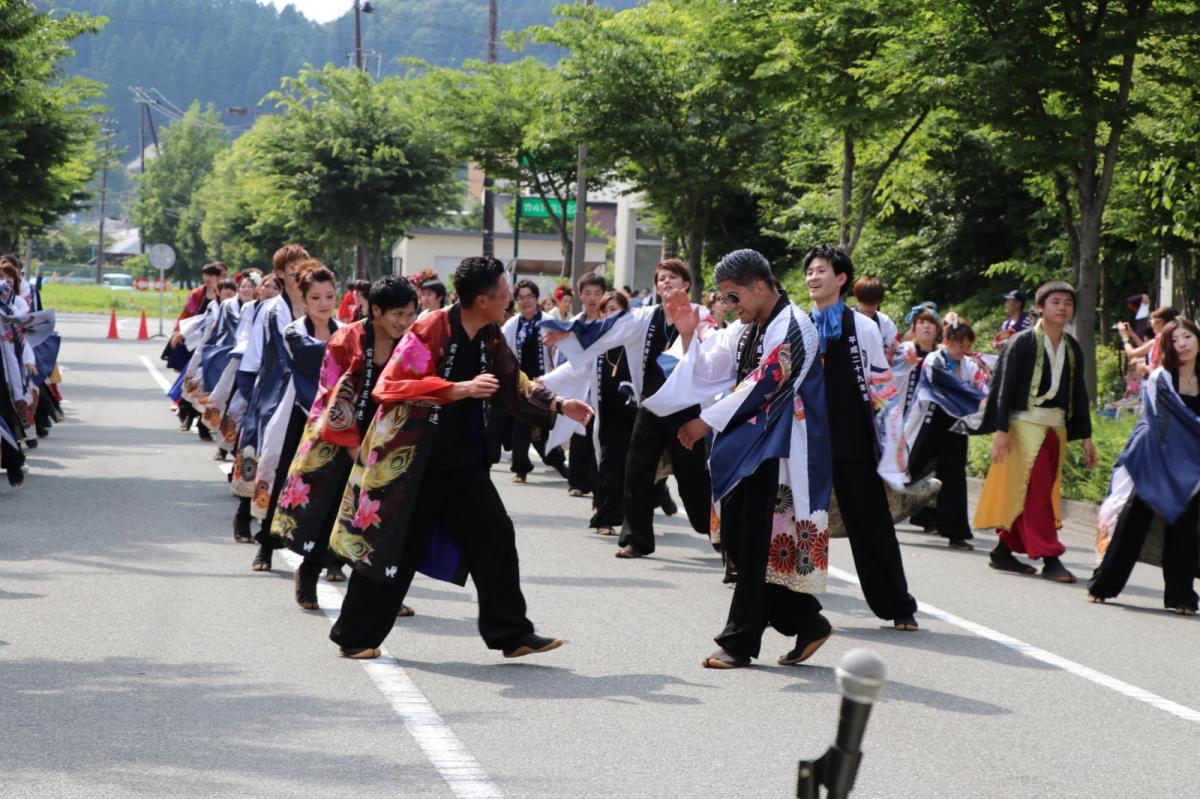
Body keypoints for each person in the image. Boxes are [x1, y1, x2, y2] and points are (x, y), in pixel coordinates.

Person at [326, 256, 594, 660]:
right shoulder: (432, 327)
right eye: (504, 292)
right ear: (482, 299)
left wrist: (558, 404)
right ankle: (354, 634)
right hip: (411, 460)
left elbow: (512, 382)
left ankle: (511, 632)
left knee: (495, 533)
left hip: (460, 460)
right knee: (394, 544)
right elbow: (392, 384)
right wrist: (457, 388)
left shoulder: (489, 333)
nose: (510, 297)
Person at [646, 249, 835, 668]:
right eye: (726, 299)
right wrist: (688, 332)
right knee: (742, 540)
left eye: (735, 297)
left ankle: (739, 642)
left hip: (783, 448)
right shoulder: (749, 326)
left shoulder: (794, 327)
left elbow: (764, 384)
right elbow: (712, 366)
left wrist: (706, 422)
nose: (730, 307)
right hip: (754, 443)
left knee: (751, 543)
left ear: (761, 287)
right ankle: (805, 620)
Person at [542, 259, 713, 559]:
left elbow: (711, 347)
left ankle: (716, 531)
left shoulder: (701, 315)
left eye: (673, 277)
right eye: (661, 279)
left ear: (686, 284)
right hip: (649, 406)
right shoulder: (644, 317)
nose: (666, 283)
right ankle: (636, 539)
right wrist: (568, 333)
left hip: (687, 409)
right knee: (635, 471)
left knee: (693, 478)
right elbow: (607, 328)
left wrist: (694, 332)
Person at [273, 275, 418, 612]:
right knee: (328, 513)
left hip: (382, 440)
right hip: (337, 436)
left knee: (378, 518)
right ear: (377, 310)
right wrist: (351, 443)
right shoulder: (346, 340)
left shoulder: (409, 342)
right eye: (398, 314)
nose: (405, 322)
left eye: (411, 314)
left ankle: (380, 594)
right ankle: (308, 575)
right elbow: (330, 396)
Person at [804, 244, 919, 631]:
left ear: (841, 280)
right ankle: (797, 608)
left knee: (871, 524)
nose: (814, 277)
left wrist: (893, 448)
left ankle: (898, 604)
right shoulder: (800, 325)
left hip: (852, 441)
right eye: (810, 272)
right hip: (808, 443)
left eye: (822, 271)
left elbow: (883, 389)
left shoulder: (862, 327)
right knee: (798, 523)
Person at [974, 280, 1097, 583]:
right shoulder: (1023, 341)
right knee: (1038, 492)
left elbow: (1078, 394)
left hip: (1056, 428)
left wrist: (1087, 437)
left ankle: (1003, 552)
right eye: (1055, 301)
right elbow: (1003, 387)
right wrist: (1001, 431)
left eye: (1067, 303)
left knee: (1029, 493)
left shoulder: (1071, 348)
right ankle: (1051, 557)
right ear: (1040, 307)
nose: (1062, 307)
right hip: (1023, 427)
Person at [1089, 319, 1200, 615]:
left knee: (1185, 528)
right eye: (1175, 340)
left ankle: (1181, 596)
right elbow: (1163, 422)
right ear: (1166, 347)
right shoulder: (1160, 377)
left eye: (1188, 336)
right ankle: (1103, 585)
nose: (1183, 344)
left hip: (1193, 465)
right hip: (1158, 457)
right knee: (1133, 522)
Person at [249, 261, 342, 586]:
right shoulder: (295, 332)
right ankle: (266, 545)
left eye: (329, 296)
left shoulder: (344, 330)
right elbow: (319, 356)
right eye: (315, 297)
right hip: (298, 411)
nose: (323, 303)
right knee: (282, 477)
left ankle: (331, 558)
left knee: (333, 484)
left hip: (334, 415)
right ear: (303, 300)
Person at [233, 245, 310, 553]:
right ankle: (244, 514)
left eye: (303, 266)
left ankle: (287, 532)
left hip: (307, 389)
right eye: (292, 268)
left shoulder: (315, 301)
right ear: (280, 273)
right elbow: (256, 352)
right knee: (258, 451)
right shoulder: (272, 309)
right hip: (273, 388)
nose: (298, 273)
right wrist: (250, 385)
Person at [903, 313, 990, 549]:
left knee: (954, 478)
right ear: (947, 339)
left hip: (956, 426)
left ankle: (956, 532)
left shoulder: (969, 364)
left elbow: (983, 382)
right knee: (909, 472)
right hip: (929, 423)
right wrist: (978, 397)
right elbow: (947, 385)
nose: (963, 347)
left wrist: (988, 393)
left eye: (967, 343)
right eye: (959, 342)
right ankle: (878, 514)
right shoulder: (933, 360)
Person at [499, 279, 568, 483]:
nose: (526, 301)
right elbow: (503, 348)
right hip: (521, 383)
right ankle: (521, 469)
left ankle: (557, 461)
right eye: (521, 297)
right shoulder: (513, 323)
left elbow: (560, 352)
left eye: (529, 297)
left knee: (542, 429)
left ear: (537, 299)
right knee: (522, 425)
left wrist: (553, 377)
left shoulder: (548, 321)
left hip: (544, 382)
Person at [563, 274, 607, 498]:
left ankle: (599, 484)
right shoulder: (573, 325)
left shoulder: (609, 322)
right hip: (580, 389)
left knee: (601, 440)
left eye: (597, 293)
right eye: (588, 293)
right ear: (579, 295)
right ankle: (578, 481)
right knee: (580, 437)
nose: (592, 298)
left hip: (604, 390)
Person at [1117, 306, 1177, 377]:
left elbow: (1131, 353)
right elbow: (1145, 348)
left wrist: (1125, 338)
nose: (1151, 325)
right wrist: (1132, 334)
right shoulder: (1173, 336)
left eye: (1152, 321)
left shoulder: (1160, 338)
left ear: (1160, 322)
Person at [852, 277, 899, 359]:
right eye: (867, 301)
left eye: (875, 302)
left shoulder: (884, 321)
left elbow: (896, 346)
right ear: (858, 298)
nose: (871, 306)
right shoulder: (846, 319)